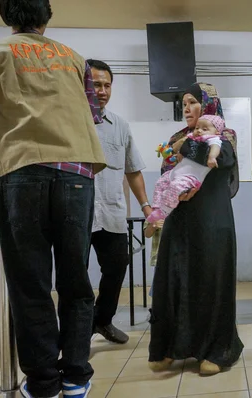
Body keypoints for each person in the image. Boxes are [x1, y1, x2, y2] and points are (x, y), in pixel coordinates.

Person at [0, 1, 107, 397]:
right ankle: (75, 378)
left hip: (23, 172)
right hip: (77, 175)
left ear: (5, 15)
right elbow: (92, 113)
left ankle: (42, 384)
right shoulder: (75, 59)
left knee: (30, 284)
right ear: (47, 16)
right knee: (76, 281)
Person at [148, 82, 243, 376]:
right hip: (180, 222)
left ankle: (218, 349)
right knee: (173, 281)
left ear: (208, 106)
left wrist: (184, 146)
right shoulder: (177, 137)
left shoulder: (224, 136)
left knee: (211, 282)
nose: (187, 108)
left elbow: (218, 160)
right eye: (184, 103)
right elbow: (169, 169)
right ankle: (171, 348)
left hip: (212, 223)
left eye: (193, 102)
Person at [86, 59, 152, 344]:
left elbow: (133, 170)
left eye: (106, 85)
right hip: (76, 214)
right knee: (73, 275)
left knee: (117, 265)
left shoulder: (120, 126)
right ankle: (79, 330)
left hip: (111, 213)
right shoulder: (69, 123)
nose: (101, 91)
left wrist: (147, 207)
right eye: (95, 84)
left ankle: (102, 321)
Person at [146, 114, 224, 223]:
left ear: (217, 132)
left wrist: (212, 157)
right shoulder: (192, 137)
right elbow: (177, 147)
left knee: (174, 187)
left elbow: (216, 148)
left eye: (205, 129)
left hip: (190, 178)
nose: (199, 131)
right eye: (197, 128)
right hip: (176, 172)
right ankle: (156, 207)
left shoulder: (213, 139)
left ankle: (164, 211)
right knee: (160, 182)